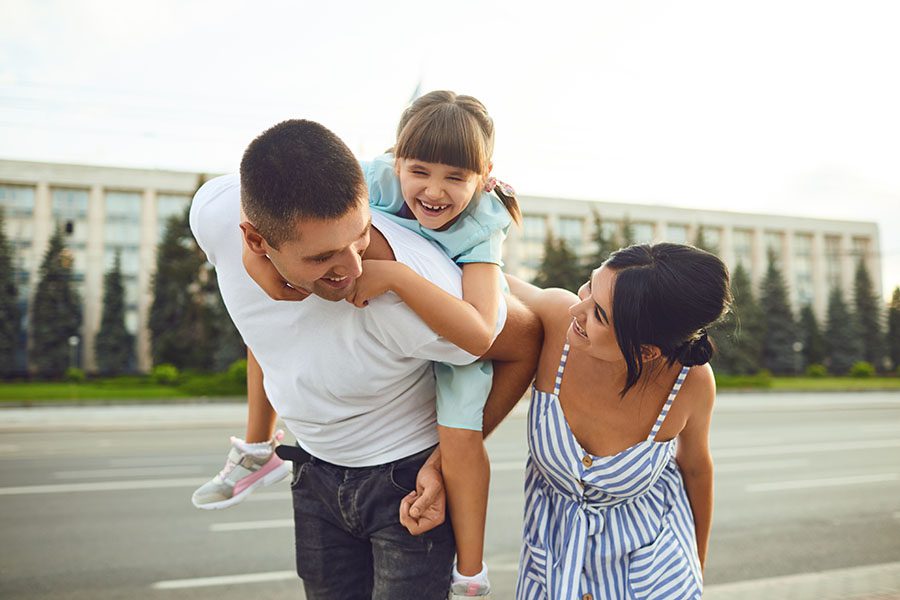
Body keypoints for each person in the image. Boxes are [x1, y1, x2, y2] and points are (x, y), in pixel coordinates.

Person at [189, 118, 540, 600]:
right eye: (323, 258)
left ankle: (471, 576)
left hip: (403, 485)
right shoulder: (215, 212)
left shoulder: (413, 293)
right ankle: (257, 450)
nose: (355, 269)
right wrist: (257, 271)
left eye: (360, 236)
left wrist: (442, 462)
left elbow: (519, 342)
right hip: (312, 473)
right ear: (255, 239)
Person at [508, 243, 729, 600]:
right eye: (589, 287)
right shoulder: (555, 319)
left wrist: (696, 566)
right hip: (549, 576)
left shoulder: (690, 382)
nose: (577, 309)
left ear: (645, 351)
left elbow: (697, 469)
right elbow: (479, 276)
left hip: (653, 580)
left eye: (599, 315)